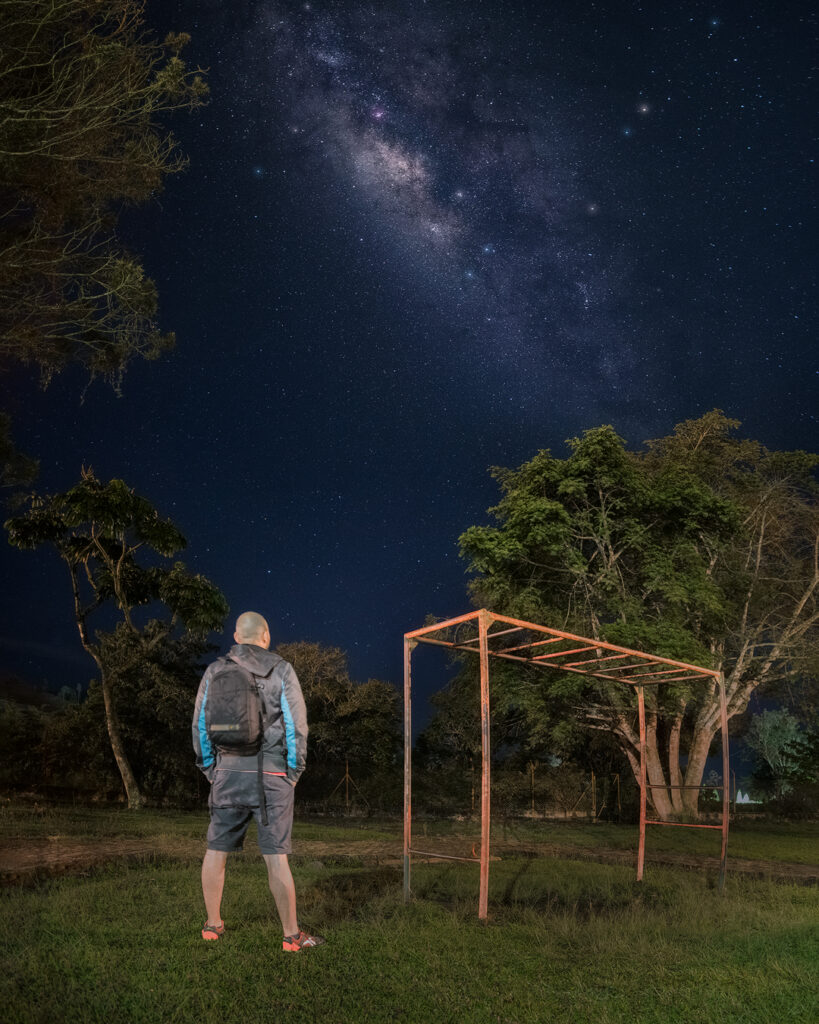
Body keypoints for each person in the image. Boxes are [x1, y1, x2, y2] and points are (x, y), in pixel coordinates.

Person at [192, 610, 325, 951]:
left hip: (227, 773)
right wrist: (292, 773)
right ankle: (291, 936)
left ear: (237, 637)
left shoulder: (215, 670)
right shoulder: (281, 669)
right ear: (265, 636)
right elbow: (298, 728)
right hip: (271, 776)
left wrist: (212, 769)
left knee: (216, 850)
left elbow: (200, 727)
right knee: (276, 857)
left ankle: (212, 925)